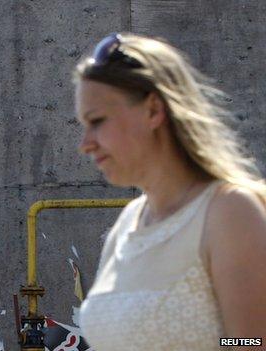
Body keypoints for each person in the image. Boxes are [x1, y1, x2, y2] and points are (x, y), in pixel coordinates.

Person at [74, 33, 266, 350]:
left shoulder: (229, 212)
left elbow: (253, 341)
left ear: (153, 110)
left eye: (97, 121)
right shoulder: (127, 225)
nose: (85, 144)